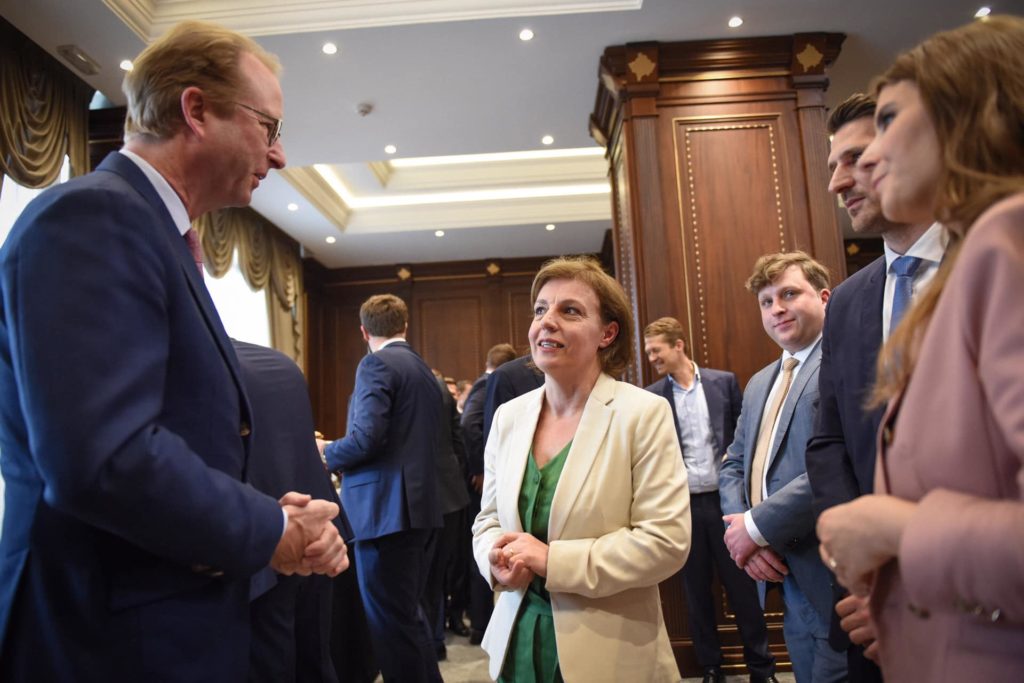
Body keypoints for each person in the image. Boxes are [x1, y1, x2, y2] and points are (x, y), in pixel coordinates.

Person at [0, 21, 345, 681]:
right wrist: (269, 529)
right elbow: (105, 458)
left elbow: (182, 434)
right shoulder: (95, 217)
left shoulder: (150, 230)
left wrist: (269, 517)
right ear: (196, 109)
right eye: (269, 127)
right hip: (103, 642)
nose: (278, 156)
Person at [816, 15, 1024, 681]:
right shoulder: (969, 261)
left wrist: (893, 532)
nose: (866, 162)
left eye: (888, 122)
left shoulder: (1008, 240)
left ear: (969, 113)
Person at [472, 256, 691, 682]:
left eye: (569, 310)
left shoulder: (643, 414)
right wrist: (493, 558)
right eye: (540, 309)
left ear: (607, 333)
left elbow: (666, 541)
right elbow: (488, 520)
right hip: (516, 642)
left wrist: (554, 561)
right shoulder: (508, 417)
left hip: (609, 652)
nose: (547, 321)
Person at [807, 91, 944, 681]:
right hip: (867, 610)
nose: (838, 182)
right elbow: (830, 442)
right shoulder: (846, 301)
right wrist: (865, 572)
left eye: (857, 159)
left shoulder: (997, 264)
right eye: (833, 165)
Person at [719, 252, 846, 683]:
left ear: (824, 298)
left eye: (789, 294)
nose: (777, 309)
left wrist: (756, 528)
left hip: (831, 569)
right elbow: (733, 463)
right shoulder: (760, 382)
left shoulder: (843, 362)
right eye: (766, 301)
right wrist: (746, 535)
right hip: (781, 571)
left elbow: (836, 462)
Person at [643, 317, 777, 683]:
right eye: (648, 352)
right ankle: (711, 668)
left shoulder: (724, 382)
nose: (652, 358)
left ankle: (762, 669)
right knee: (696, 591)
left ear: (678, 345)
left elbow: (744, 437)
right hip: (684, 507)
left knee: (743, 587)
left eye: (656, 350)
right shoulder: (652, 397)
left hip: (726, 503)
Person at [323, 294, 443, 683]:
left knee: (390, 627)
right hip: (420, 508)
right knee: (407, 619)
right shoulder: (423, 370)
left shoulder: (375, 364)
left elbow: (365, 439)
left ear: (363, 331)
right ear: (405, 325)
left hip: (384, 513)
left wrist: (325, 452)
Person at [233, 340, 354, 683]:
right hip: (316, 527)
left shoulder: (203, 366)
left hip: (259, 543)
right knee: (315, 657)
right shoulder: (281, 364)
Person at [460, 342, 517, 643]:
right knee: (483, 550)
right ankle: (480, 625)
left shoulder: (485, 382)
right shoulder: (487, 384)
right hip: (480, 483)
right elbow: (469, 425)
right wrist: (481, 470)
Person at [422, 371, 470, 660]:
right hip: (451, 493)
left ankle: (431, 641)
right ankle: (436, 640)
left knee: (425, 578)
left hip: (422, 494)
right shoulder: (441, 389)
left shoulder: (405, 384)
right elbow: (458, 439)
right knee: (441, 572)